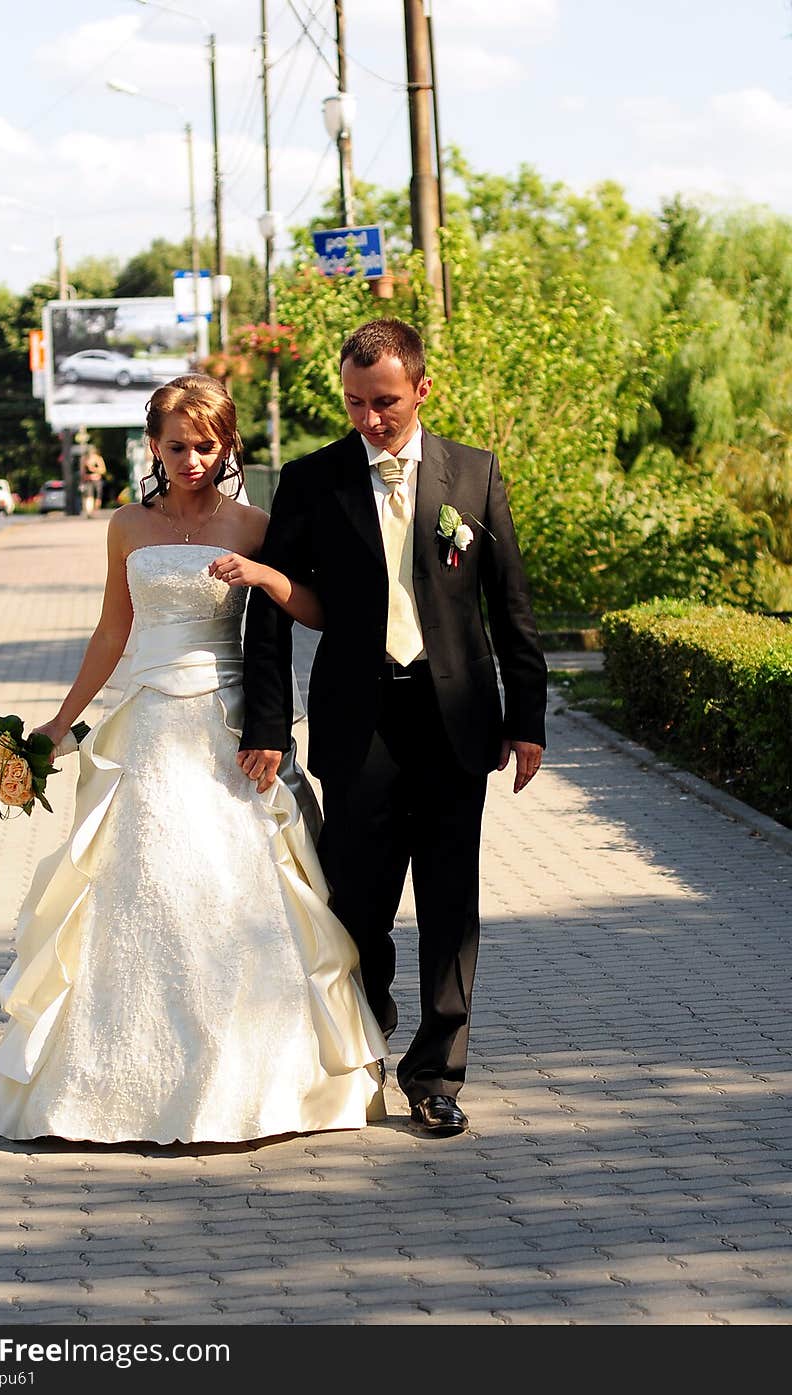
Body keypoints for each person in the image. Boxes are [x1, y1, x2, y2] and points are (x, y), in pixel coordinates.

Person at [0, 374, 386, 1145]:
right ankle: (116, 1082)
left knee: (232, 890)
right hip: (147, 728)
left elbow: (317, 609)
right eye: (176, 445)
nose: (192, 458)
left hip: (228, 731)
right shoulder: (127, 525)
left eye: (206, 445)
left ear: (227, 444)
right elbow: (110, 632)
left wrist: (266, 575)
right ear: (153, 446)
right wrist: (58, 727)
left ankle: (250, 1077)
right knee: (141, 886)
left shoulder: (255, 524)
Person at [240, 319, 547, 1138]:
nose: (369, 418)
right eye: (354, 402)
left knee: (451, 906)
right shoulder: (312, 481)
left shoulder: (473, 475)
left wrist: (529, 720)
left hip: (453, 719)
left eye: (384, 402)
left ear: (421, 389)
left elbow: (510, 605)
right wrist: (266, 720)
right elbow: (270, 611)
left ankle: (437, 1074)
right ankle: (363, 1042)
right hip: (358, 720)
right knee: (359, 903)